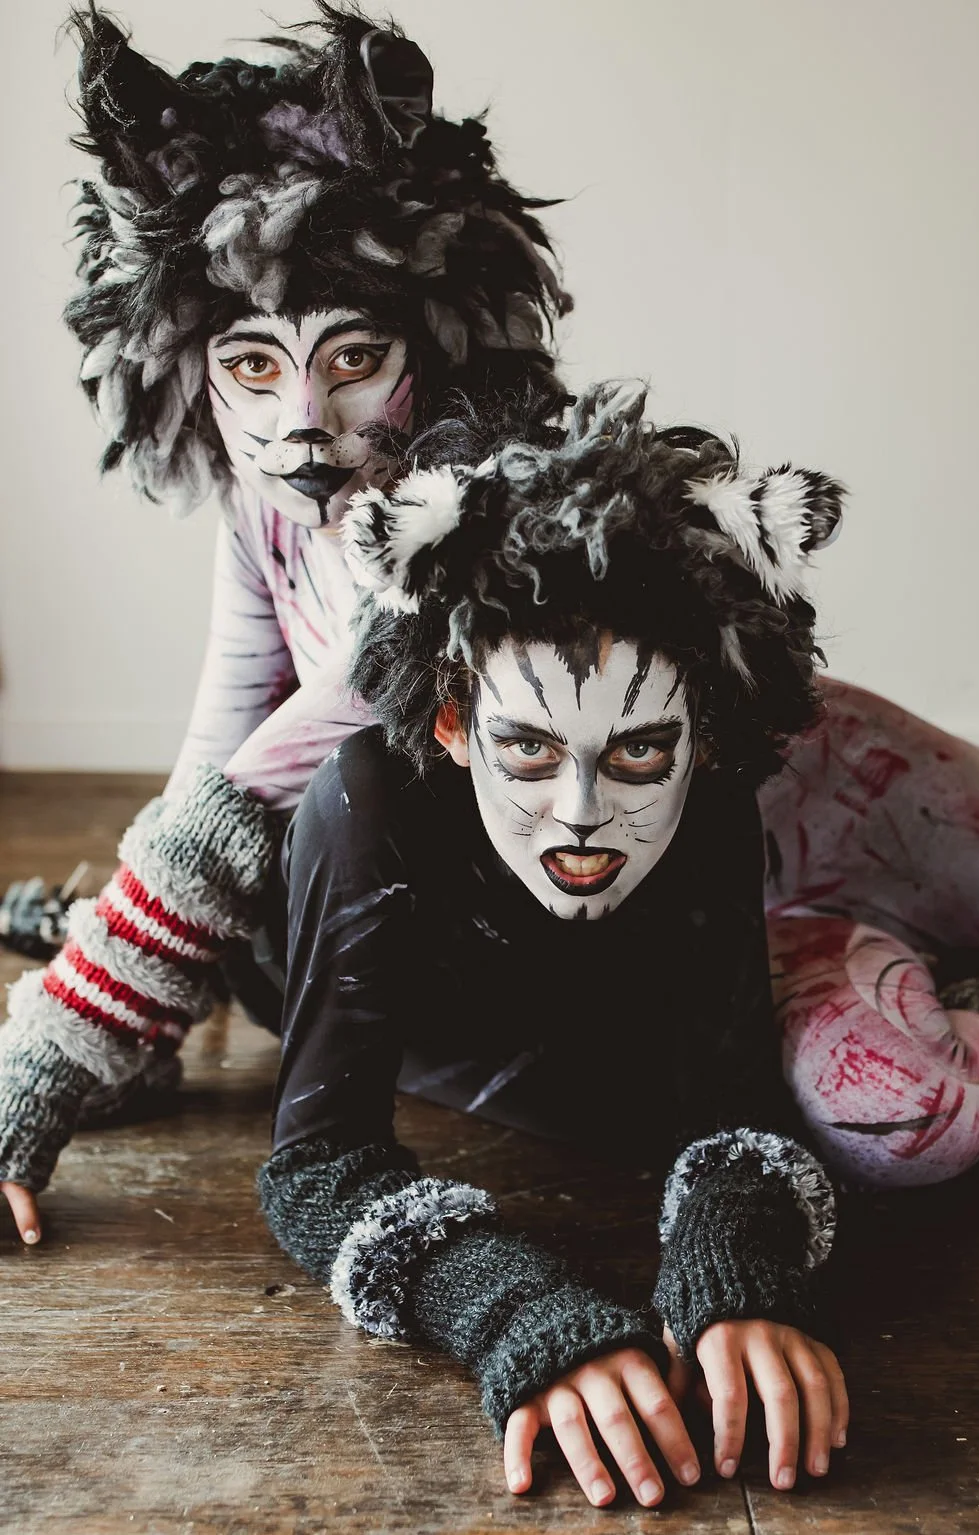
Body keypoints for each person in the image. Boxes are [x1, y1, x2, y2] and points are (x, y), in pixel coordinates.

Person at [0, 1, 569, 1237]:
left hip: (538, 939)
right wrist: (127, 1003)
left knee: (349, 782)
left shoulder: (469, 517)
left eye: (354, 358)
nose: (303, 425)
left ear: (434, 340)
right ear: (187, 368)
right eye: (254, 367)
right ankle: (121, 963)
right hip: (371, 913)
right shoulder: (262, 511)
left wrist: (52, 1049)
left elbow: (250, 795)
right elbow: (217, 759)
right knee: (285, 858)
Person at [257, 380, 852, 1507]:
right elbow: (317, 1162)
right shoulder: (371, 805)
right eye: (527, 748)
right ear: (451, 719)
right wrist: (513, 1307)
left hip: (561, 1042)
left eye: (638, 753)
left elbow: (733, 1095)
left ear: (705, 734)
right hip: (311, 972)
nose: (581, 813)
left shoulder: (715, 804)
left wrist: (736, 1263)